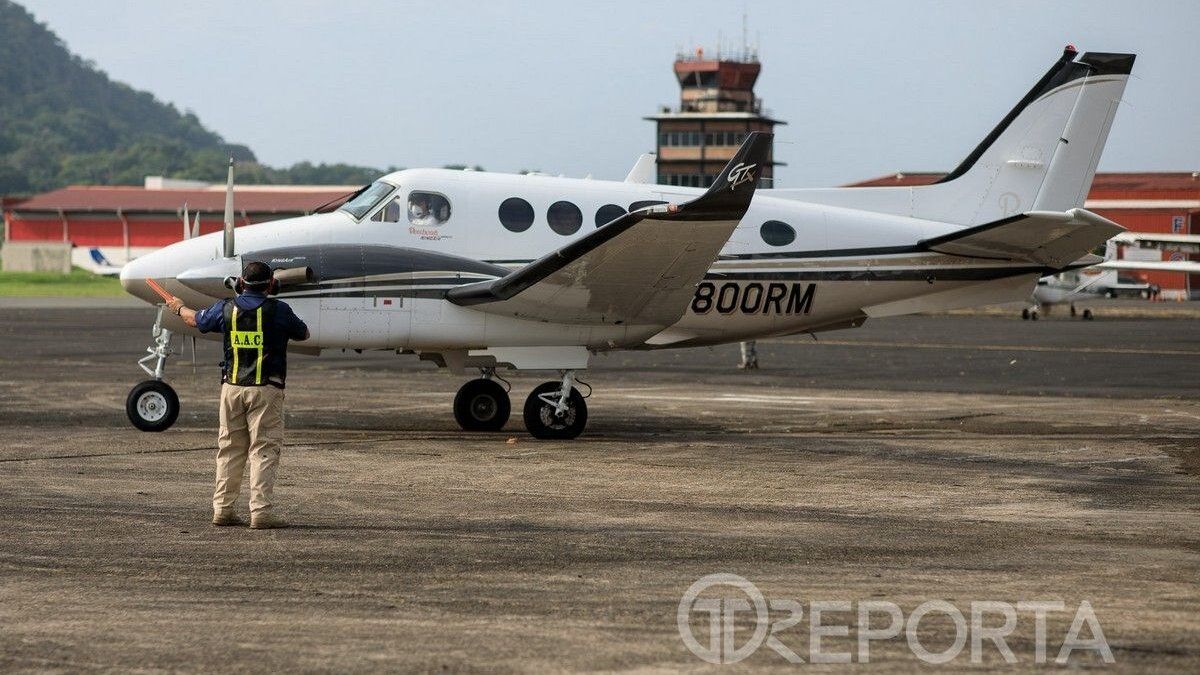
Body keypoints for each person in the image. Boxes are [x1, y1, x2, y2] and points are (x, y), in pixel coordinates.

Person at [166, 261, 310, 529]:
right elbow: (303, 333)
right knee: (264, 450)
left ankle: (222, 510)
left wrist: (177, 306)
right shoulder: (279, 310)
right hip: (266, 390)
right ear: (270, 285)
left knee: (230, 449)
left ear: (241, 283)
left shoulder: (226, 308)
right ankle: (261, 513)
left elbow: (194, 319)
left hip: (231, 388)